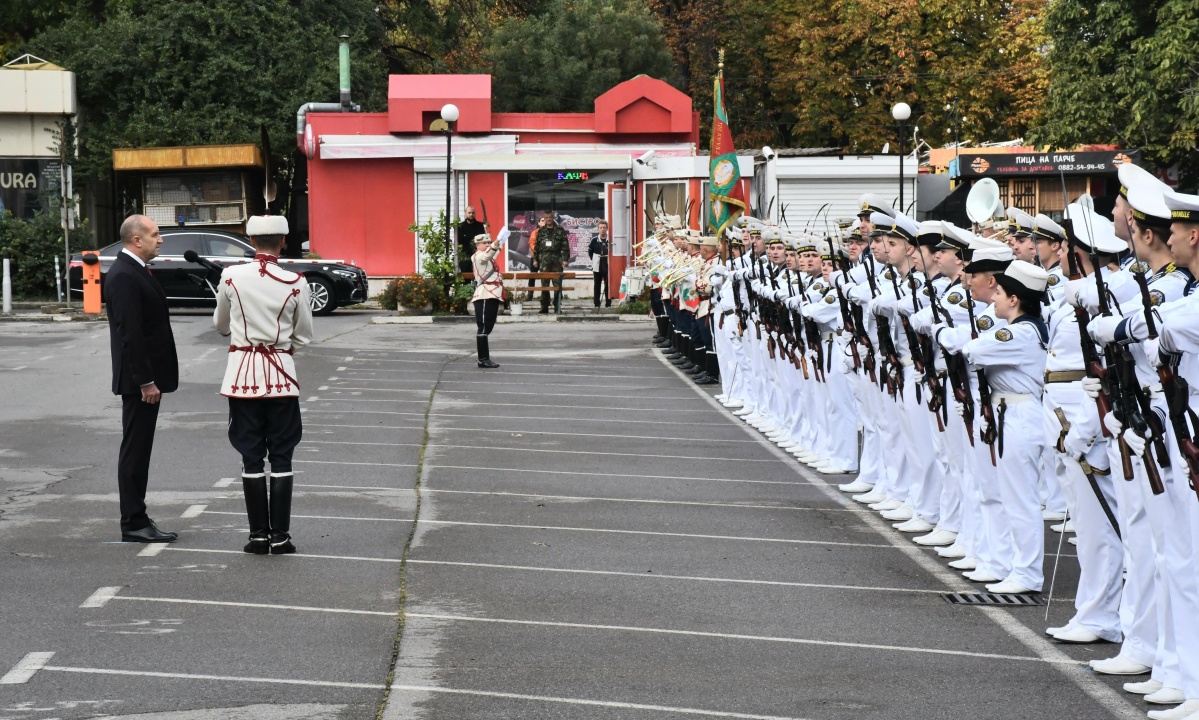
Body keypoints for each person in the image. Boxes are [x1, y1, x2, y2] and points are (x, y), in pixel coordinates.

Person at [214, 215, 313, 555]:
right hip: (282, 377)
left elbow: (221, 325)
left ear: (251, 240)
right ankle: (281, 537)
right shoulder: (297, 281)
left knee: (250, 456)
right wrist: (280, 348)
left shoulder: (230, 276)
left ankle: (258, 536)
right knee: (282, 456)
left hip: (242, 377)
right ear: (282, 242)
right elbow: (304, 335)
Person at [106, 214, 179, 544]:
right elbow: (130, 335)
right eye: (155, 234)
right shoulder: (124, 274)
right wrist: (146, 381)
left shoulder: (135, 270)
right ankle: (134, 521)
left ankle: (136, 517)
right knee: (135, 451)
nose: (160, 239)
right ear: (137, 239)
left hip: (145, 379)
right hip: (139, 382)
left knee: (139, 449)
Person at [471, 232, 504, 368]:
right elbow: (488, 254)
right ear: (477, 245)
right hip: (484, 293)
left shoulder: (487, 256)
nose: (487, 245)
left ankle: (484, 358)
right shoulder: (478, 256)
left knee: (488, 325)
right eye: (484, 243)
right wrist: (496, 242)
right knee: (483, 327)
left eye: (488, 242)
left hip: (492, 294)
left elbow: (494, 252)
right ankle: (483, 359)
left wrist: (501, 239)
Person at [530, 210, 569, 313]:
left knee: (557, 284)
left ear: (553, 218)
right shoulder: (541, 231)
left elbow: (565, 246)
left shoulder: (560, 230)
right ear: (544, 219)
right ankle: (544, 306)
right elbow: (536, 247)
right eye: (546, 218)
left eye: (550, 218)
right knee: (544, 284)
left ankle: (557, 306)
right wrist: (535, 260)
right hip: (544, 260)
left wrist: (565, 259)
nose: (548, 220)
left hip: (557, 259)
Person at [457, 206, 487, 273]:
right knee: (465, 278)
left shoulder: (480, 226)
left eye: (473, 213)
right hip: (465, 257)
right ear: (465, 213)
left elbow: (483, 240)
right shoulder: (460, 226)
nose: (471, 214)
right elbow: (459, 240)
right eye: (469, 213)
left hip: (478, 255)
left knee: (478, 277)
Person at [589, 221, 611, 308]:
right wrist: (594, 259)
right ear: (598, 229)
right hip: (597, 263)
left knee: (607, 285)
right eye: (601, 228)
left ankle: (608, 303)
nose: (602, 230)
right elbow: (590, 251)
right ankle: (596, 303)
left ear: (607, 229)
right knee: (597, 284)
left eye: (604, 228)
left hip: (606, 263)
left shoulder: (609, 239)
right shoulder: (594, 240)